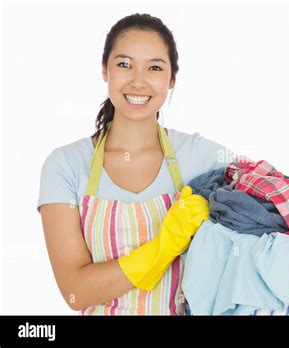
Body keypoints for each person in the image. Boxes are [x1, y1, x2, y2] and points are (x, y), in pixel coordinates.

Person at [37, 13, 235, 315]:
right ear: (105, 71)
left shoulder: (201, 157)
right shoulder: (66, 165)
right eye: (124, 64)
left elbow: (270, 195)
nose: (138, 81)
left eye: (154, 67)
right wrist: (165, 247)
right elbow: (75, 291)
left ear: (171, 79)